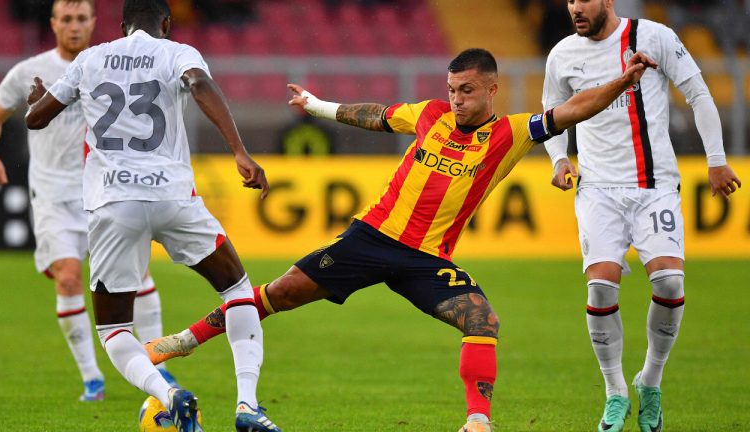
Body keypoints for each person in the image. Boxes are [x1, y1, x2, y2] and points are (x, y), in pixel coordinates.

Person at [143, 47, 657, 432]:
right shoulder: (430, 114)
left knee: (482, 320)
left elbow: (576, 108)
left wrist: (623, 79)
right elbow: (376, 115)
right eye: (453, 89)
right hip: (369, 238)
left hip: (426, 260)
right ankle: (182, 342)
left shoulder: (513, 133)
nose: (457, 99)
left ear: (492, 91)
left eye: (468, 91)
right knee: (278, 295)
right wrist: (317, 105)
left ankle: (478, 421)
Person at [24, 1, 280, 431]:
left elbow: (35, 118)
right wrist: (239, 150)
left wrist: (37, 101)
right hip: (173, 198)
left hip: (113, 204)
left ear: (122, 26)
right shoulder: (177, 52)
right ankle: (248, 406)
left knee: (114, 330)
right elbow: (198, 84)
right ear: (166, 23)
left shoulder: (91, 58)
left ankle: (167, 394)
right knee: (237, 290)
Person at [541, 1, 742, 432]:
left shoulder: (654, 36)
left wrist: (716, 160)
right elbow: (551, 118)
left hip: (654, 185)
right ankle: (615, 392)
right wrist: (559, 161)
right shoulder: (561, 55)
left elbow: (699, 94)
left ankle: (650, 379)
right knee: (599, 288)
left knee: (669, 281)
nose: (575, 7)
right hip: (597, 189)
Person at [0, 0, 177, 401]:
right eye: (66, 19)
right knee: (69, 278)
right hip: (53, 196)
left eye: (81, 19)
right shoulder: (27, 72)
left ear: (93, 23)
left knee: (137, 278)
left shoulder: (107, 62)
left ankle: (161, 369)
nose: (74, 26)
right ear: (53, 24)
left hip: (105, 190)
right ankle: (93, 379)